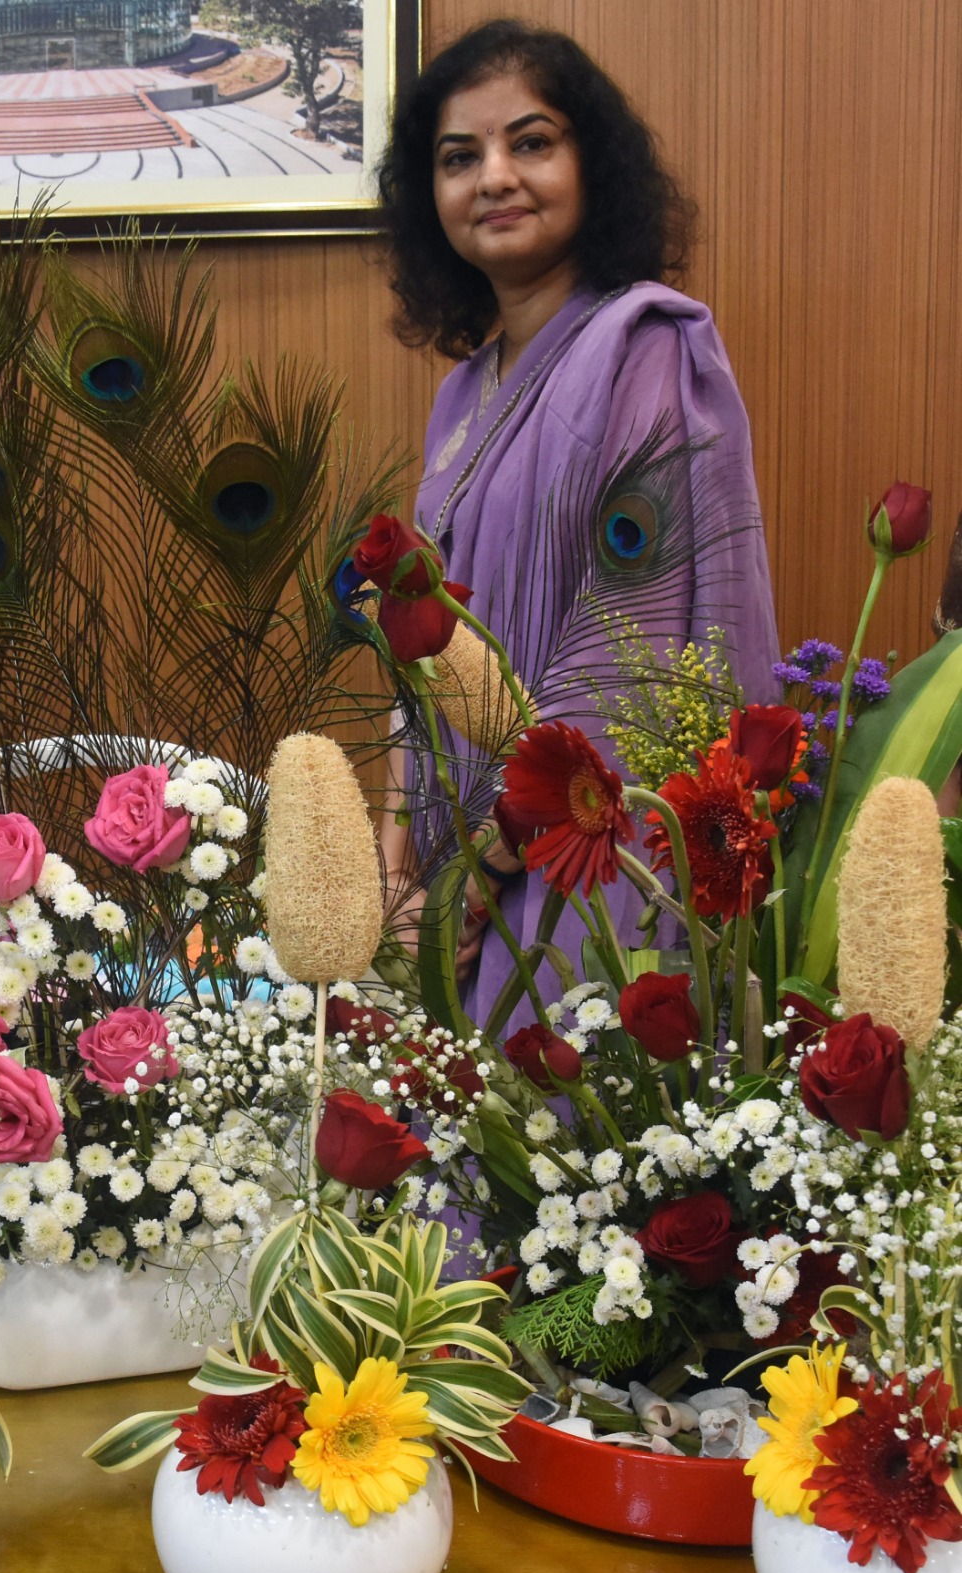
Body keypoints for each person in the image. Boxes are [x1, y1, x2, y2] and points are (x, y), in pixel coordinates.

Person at [374, 18, 780, 1023]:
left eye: (531, 142)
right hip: (450, 870)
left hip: (584, 863)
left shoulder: (645, 350)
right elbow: (428, 635)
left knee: (565, 1144)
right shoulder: (461, 394)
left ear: (590, 165)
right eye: (458, 158)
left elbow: (629, 647)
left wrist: (488, 862)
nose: (493, 177)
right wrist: (398, 833)